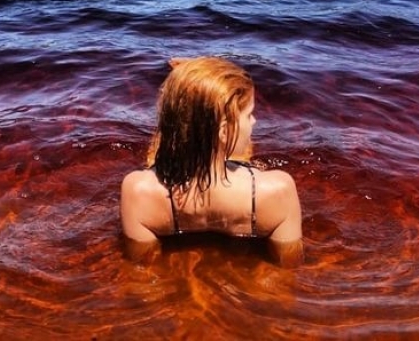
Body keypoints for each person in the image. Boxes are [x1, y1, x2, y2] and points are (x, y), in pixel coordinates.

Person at [120, 56, 303, 266]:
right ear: (225, 131)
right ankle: (196, 89)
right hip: (244, 192)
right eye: (249, 114)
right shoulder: (278, 190)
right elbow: (290, 266)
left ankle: (189, 95)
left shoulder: (137, 191)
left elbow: (142, 267)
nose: (254, 121)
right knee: (241, 154)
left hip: (171, 197)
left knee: (162, 148)